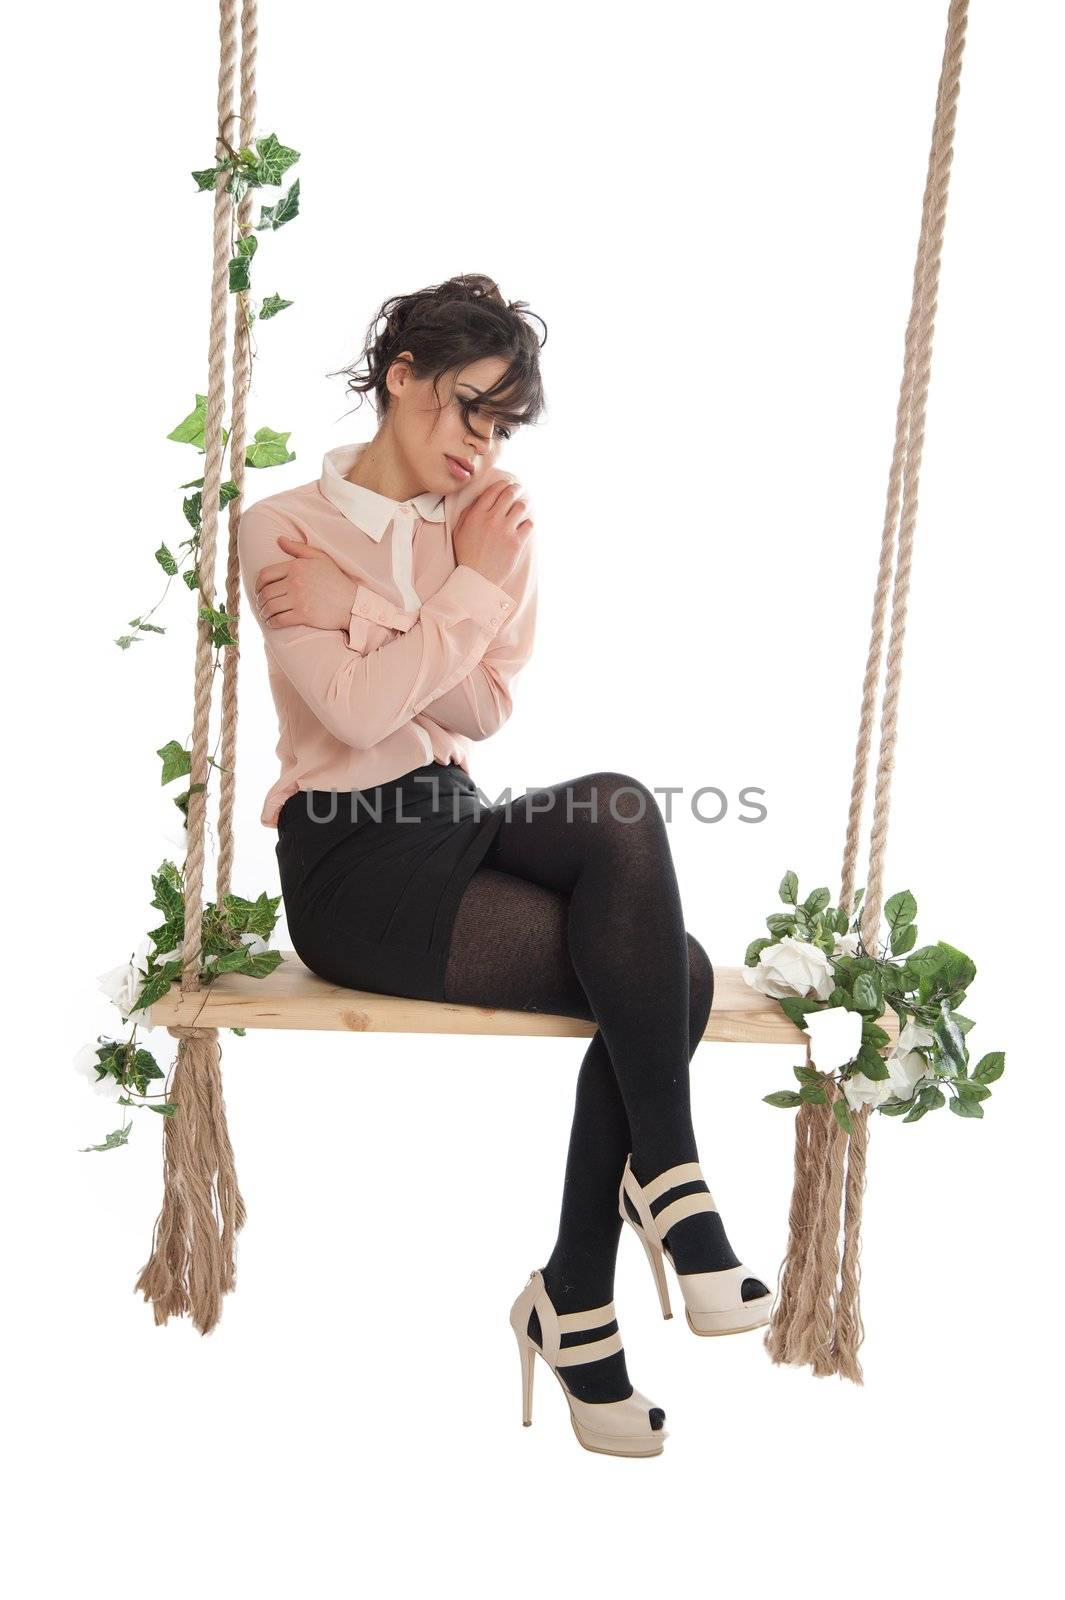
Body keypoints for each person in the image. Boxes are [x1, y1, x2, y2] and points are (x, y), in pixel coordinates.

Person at [237, 272, 770, 1458]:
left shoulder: (484, 528)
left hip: (447, 812)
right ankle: (610, 1260)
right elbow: (353, 704)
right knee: (668, 979)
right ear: (403, 379)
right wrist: (436, 599)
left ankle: (597, 1265)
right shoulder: (278, 527)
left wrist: (377, 603)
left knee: (626, 825)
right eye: (467, 408)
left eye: (502, 423)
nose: (481, 444)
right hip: (351, 868)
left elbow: (476, 709)